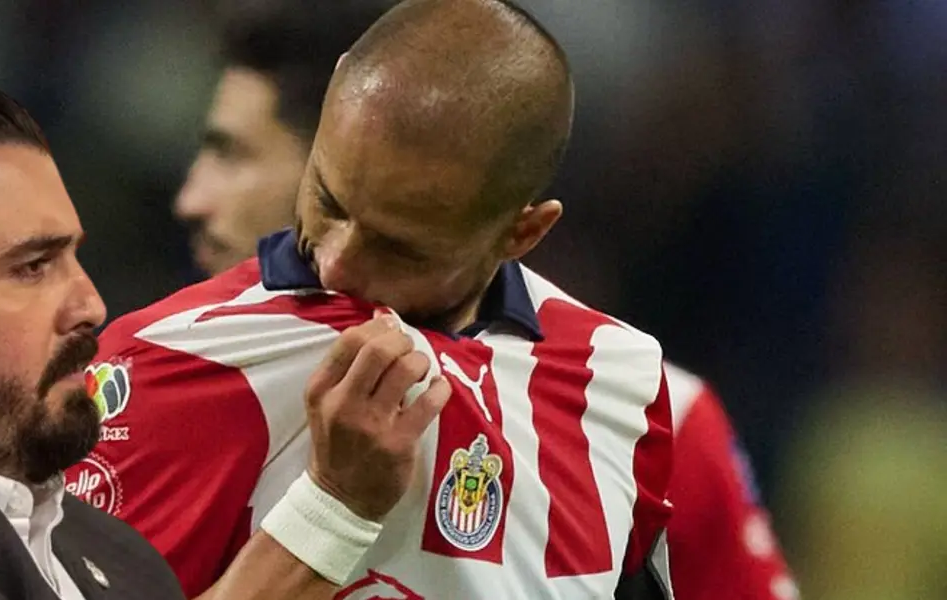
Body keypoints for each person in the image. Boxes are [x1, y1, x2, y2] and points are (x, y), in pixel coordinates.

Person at [172, 0, 796, 597]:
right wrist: (330, 514)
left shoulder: (647, 414)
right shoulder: (159, 370)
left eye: (236, 156)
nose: (193, 198)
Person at [0, 80, 443, 600]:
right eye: (30, 267)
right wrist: (332, 513)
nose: (90, 304)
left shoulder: (112, 551)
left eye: (75, 258)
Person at [69, 1, 674, 598]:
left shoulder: (615, 380)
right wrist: (331, 512)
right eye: (328, 201)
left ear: (524, 233)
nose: (336, 261)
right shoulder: (164, 362)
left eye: (400, 247)